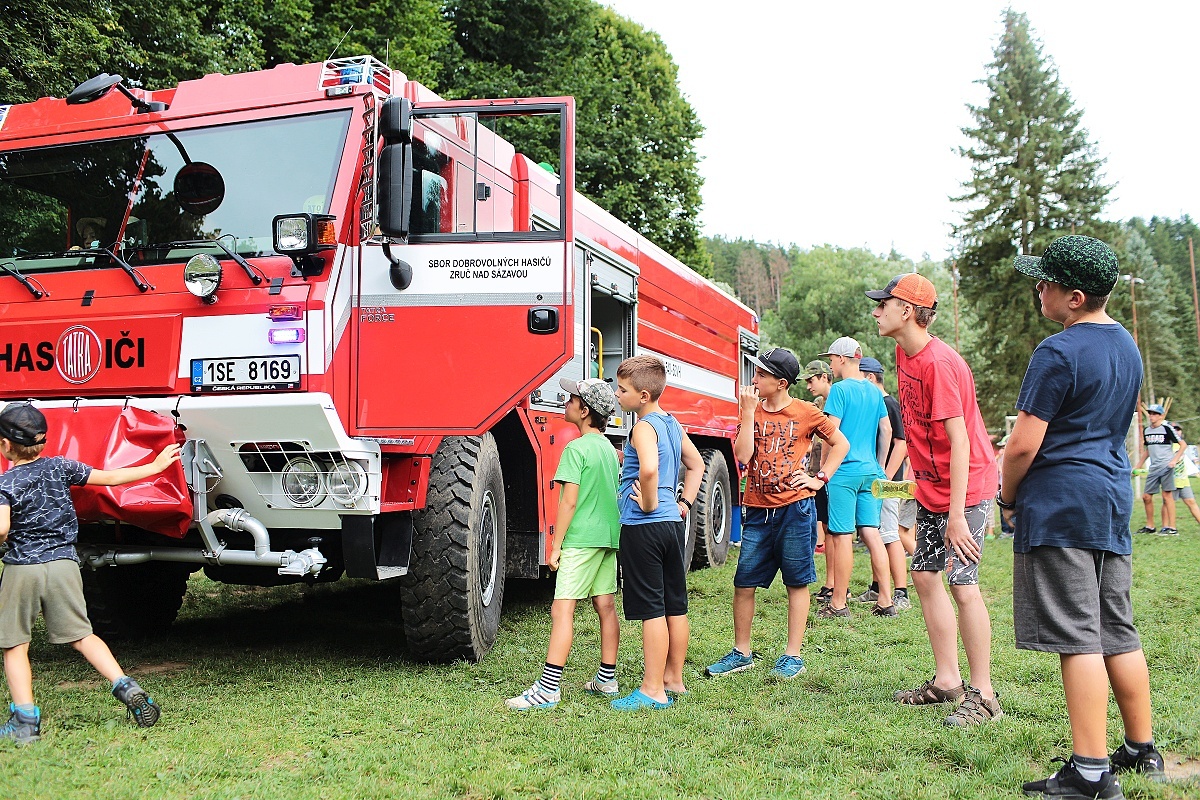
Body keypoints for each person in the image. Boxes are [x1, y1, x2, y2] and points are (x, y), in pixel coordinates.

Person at [999, 235, 1163, 799]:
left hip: (1063, 502)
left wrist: (1007, 498)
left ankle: (1091, 772)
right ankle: (1142, 749)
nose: (1036, 289)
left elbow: (1022, 445)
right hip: (1112, 499)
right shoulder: (1128, 347)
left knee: (1078, 637)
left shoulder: (1058, 351)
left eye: (1044, 282)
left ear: (1073, 296)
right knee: (1117, 627)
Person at [867, 272, 1001, 728]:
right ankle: (948, 682)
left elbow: (959, 442)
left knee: (963, 584)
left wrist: (959, 515)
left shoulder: (939, 363)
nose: (875, 311)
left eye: (883, 304)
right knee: (925, 578)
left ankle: (983, 695)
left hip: (968, 489)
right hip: (931, 488)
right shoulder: (904, 355)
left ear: (907, 310)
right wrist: (912, 486)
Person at [0, 402, 176, 743]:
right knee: (83, 636)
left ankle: (25, 721)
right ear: (41, 441)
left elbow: (3, 529)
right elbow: (109, 478)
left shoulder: (5, 483)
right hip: (64, 565)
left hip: (23, 569)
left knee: (15, 646)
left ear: (6, 445)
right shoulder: (60, 467)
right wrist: (154, 466)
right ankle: (127, 687)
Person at [704, 348, 849, 680]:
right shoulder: (752, 411)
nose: (754, 380)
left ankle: (792, 656)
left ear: (781, 382)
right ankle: (741, 653)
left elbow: (841, 444)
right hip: (756, 511)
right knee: (743, 583)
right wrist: (746, 414)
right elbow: (742, 456)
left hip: (795, 509)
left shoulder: (807, 412)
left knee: (797, 583)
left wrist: (819, 479)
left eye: (761, 376)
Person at [507, 378, 622, 710]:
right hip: (607, 539)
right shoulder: (608, 450)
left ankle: (548, 689)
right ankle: (607, 678)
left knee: (562, 609)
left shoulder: (576, 448)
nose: (566, 402)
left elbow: (568, 503)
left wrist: (556, 547)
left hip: (581, 541)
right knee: (606, 606)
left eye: (572, 399)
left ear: (585, 411)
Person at [610, 355, 704, 710]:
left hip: (643, 526)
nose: (618, 394)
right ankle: (673, 680)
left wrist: (648, 503)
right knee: (674, 605)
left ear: (644, 395)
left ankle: (652, 690)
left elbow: (648, 469)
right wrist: (686, 502)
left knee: (652, 609)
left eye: (623, 390)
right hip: (671, 526)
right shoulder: (671, 423)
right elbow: (695, 464)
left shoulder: (643, 427)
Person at [816, 337, 895, 618]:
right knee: (873, 533)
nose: (830, 364)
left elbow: (831, 434)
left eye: (831, 359)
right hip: (870, 471)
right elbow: (886, 430)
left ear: (842, 359)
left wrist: (824, 467)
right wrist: (881, 467)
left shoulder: (839, 390)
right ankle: (886, 601)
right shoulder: (875, 392)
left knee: (841, 536)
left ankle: (838, 604)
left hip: (844, 472)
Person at [858, 356, 912, 610]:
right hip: (876, 481)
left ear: (870, 377)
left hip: (889, 483)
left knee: (890, 536)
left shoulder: (889, 404)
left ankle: (901, 592)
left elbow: (901, 444)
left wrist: (884, 479)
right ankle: (877, 587)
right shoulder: (872, 404)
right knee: (876, 534)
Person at [802, 361, 839, 600]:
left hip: (831, 473)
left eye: (811, 380)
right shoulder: (818, 404)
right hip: (819, 472)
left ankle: (835, 585)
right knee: (826, 528)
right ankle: (831, 582)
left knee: (835, 531)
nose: (808, 386)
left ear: (824, 377)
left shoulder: (838, 398)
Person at [1135, 404, 1181, 535]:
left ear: (1161, 416)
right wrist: (1139, 465)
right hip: (1153, 467)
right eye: (1150, 413)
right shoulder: (1147, 430)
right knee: (1146, 497)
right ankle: (1150, 526)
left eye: (1155, 414)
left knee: (1167, 496)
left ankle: (1172, 528)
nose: (1151, 416)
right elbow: (1148, 449)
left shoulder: (1167, 428)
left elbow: (1182, 445)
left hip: (1166, 466)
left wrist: (1174, 460)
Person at [1170, 424, 1200, 528]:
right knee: (1168, 504)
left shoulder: (1181, 445)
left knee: (1191, 501)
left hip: (1183, 480)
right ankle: (1169, 527)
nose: (1177, 432)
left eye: (1178, 430)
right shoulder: (1168, 445)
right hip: (1171, 480)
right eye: (1174, 430)